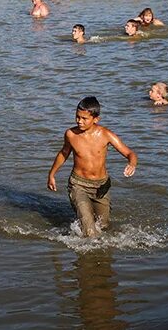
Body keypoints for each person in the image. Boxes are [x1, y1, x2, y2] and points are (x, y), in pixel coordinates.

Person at [47, 96, 138, 238]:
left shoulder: (105, 134)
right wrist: (52, 174)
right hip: (78, 184)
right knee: (89, 231)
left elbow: (129, 153)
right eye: (77, 117)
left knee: (104, 225)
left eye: (84, 118)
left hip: (101, 186)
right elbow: (63, 153)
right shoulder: (71, 134)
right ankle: (88, 252)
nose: (79, 121)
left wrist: (132, 164)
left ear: (96, 119)